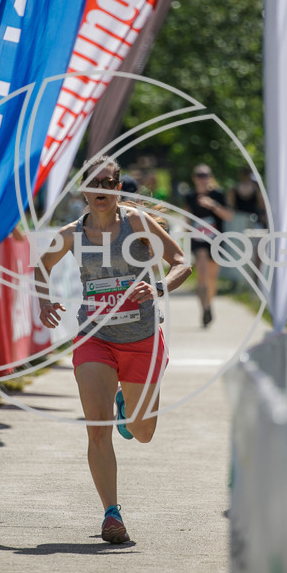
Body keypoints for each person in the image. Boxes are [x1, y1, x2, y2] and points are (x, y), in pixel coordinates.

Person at [35, 155, 191, 544]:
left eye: (108, 183)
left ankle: (128, 408)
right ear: (84, 190)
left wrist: (156, 288)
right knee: (97, 427)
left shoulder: (136, 223)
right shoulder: (72, 233)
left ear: (117, 188)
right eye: (94, 183)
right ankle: (111, 513)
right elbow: (41, 266)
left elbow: (181, 262)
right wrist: (44, 301)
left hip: (141, 340)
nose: (101, 190)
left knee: (143, 432)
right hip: (95, 339)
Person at [184, 163, 232, 327]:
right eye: (199, 175)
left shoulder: (218, 195)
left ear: (210, 177)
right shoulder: (190, 197)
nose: (202, 179)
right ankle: (204, 310)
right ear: (194, 178)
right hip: (198, 241)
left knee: (212, 278)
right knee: (202, 276)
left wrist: (212, 205)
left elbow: (228, 216)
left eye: (205, 175)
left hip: (216, 241)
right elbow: (187, 220)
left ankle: (209, 304)